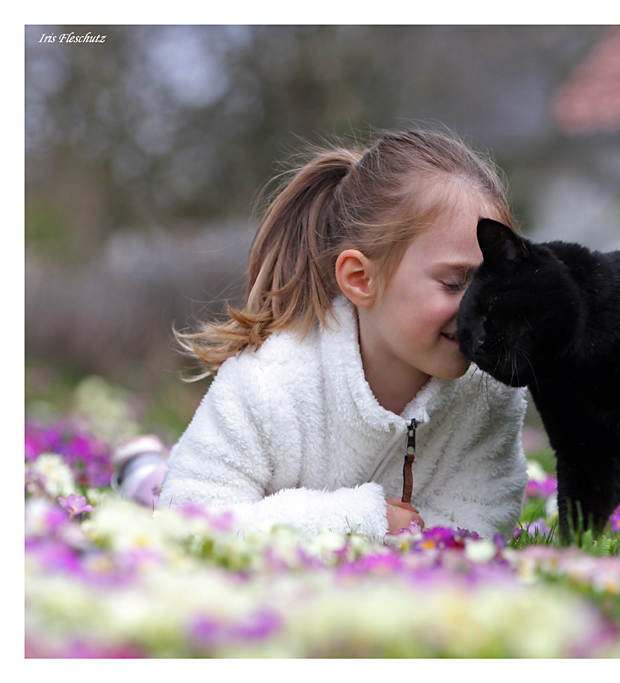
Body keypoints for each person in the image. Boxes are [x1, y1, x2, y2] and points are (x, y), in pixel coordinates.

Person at [116, 130, 528, 540]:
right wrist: (363, 523)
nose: (483, 308)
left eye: (495, 283)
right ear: (361, 279)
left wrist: (414, 542)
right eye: (456, 284)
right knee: (160, 497)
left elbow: (482, 514)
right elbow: (189, 516)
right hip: (260, 511)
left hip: (314, 535)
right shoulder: (268, 381)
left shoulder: (490, 391)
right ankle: (143, 473)